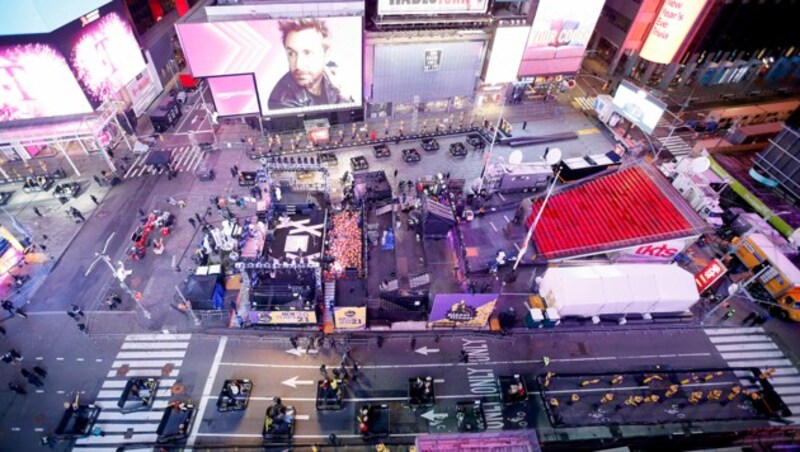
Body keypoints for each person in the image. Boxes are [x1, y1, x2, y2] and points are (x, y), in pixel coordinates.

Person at [268, 19, 352, 110]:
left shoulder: (335, 78)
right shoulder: (281, 101)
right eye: (291, 53)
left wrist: (342, 93)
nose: (298, 65)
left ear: (326, 54)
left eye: (307, 53)